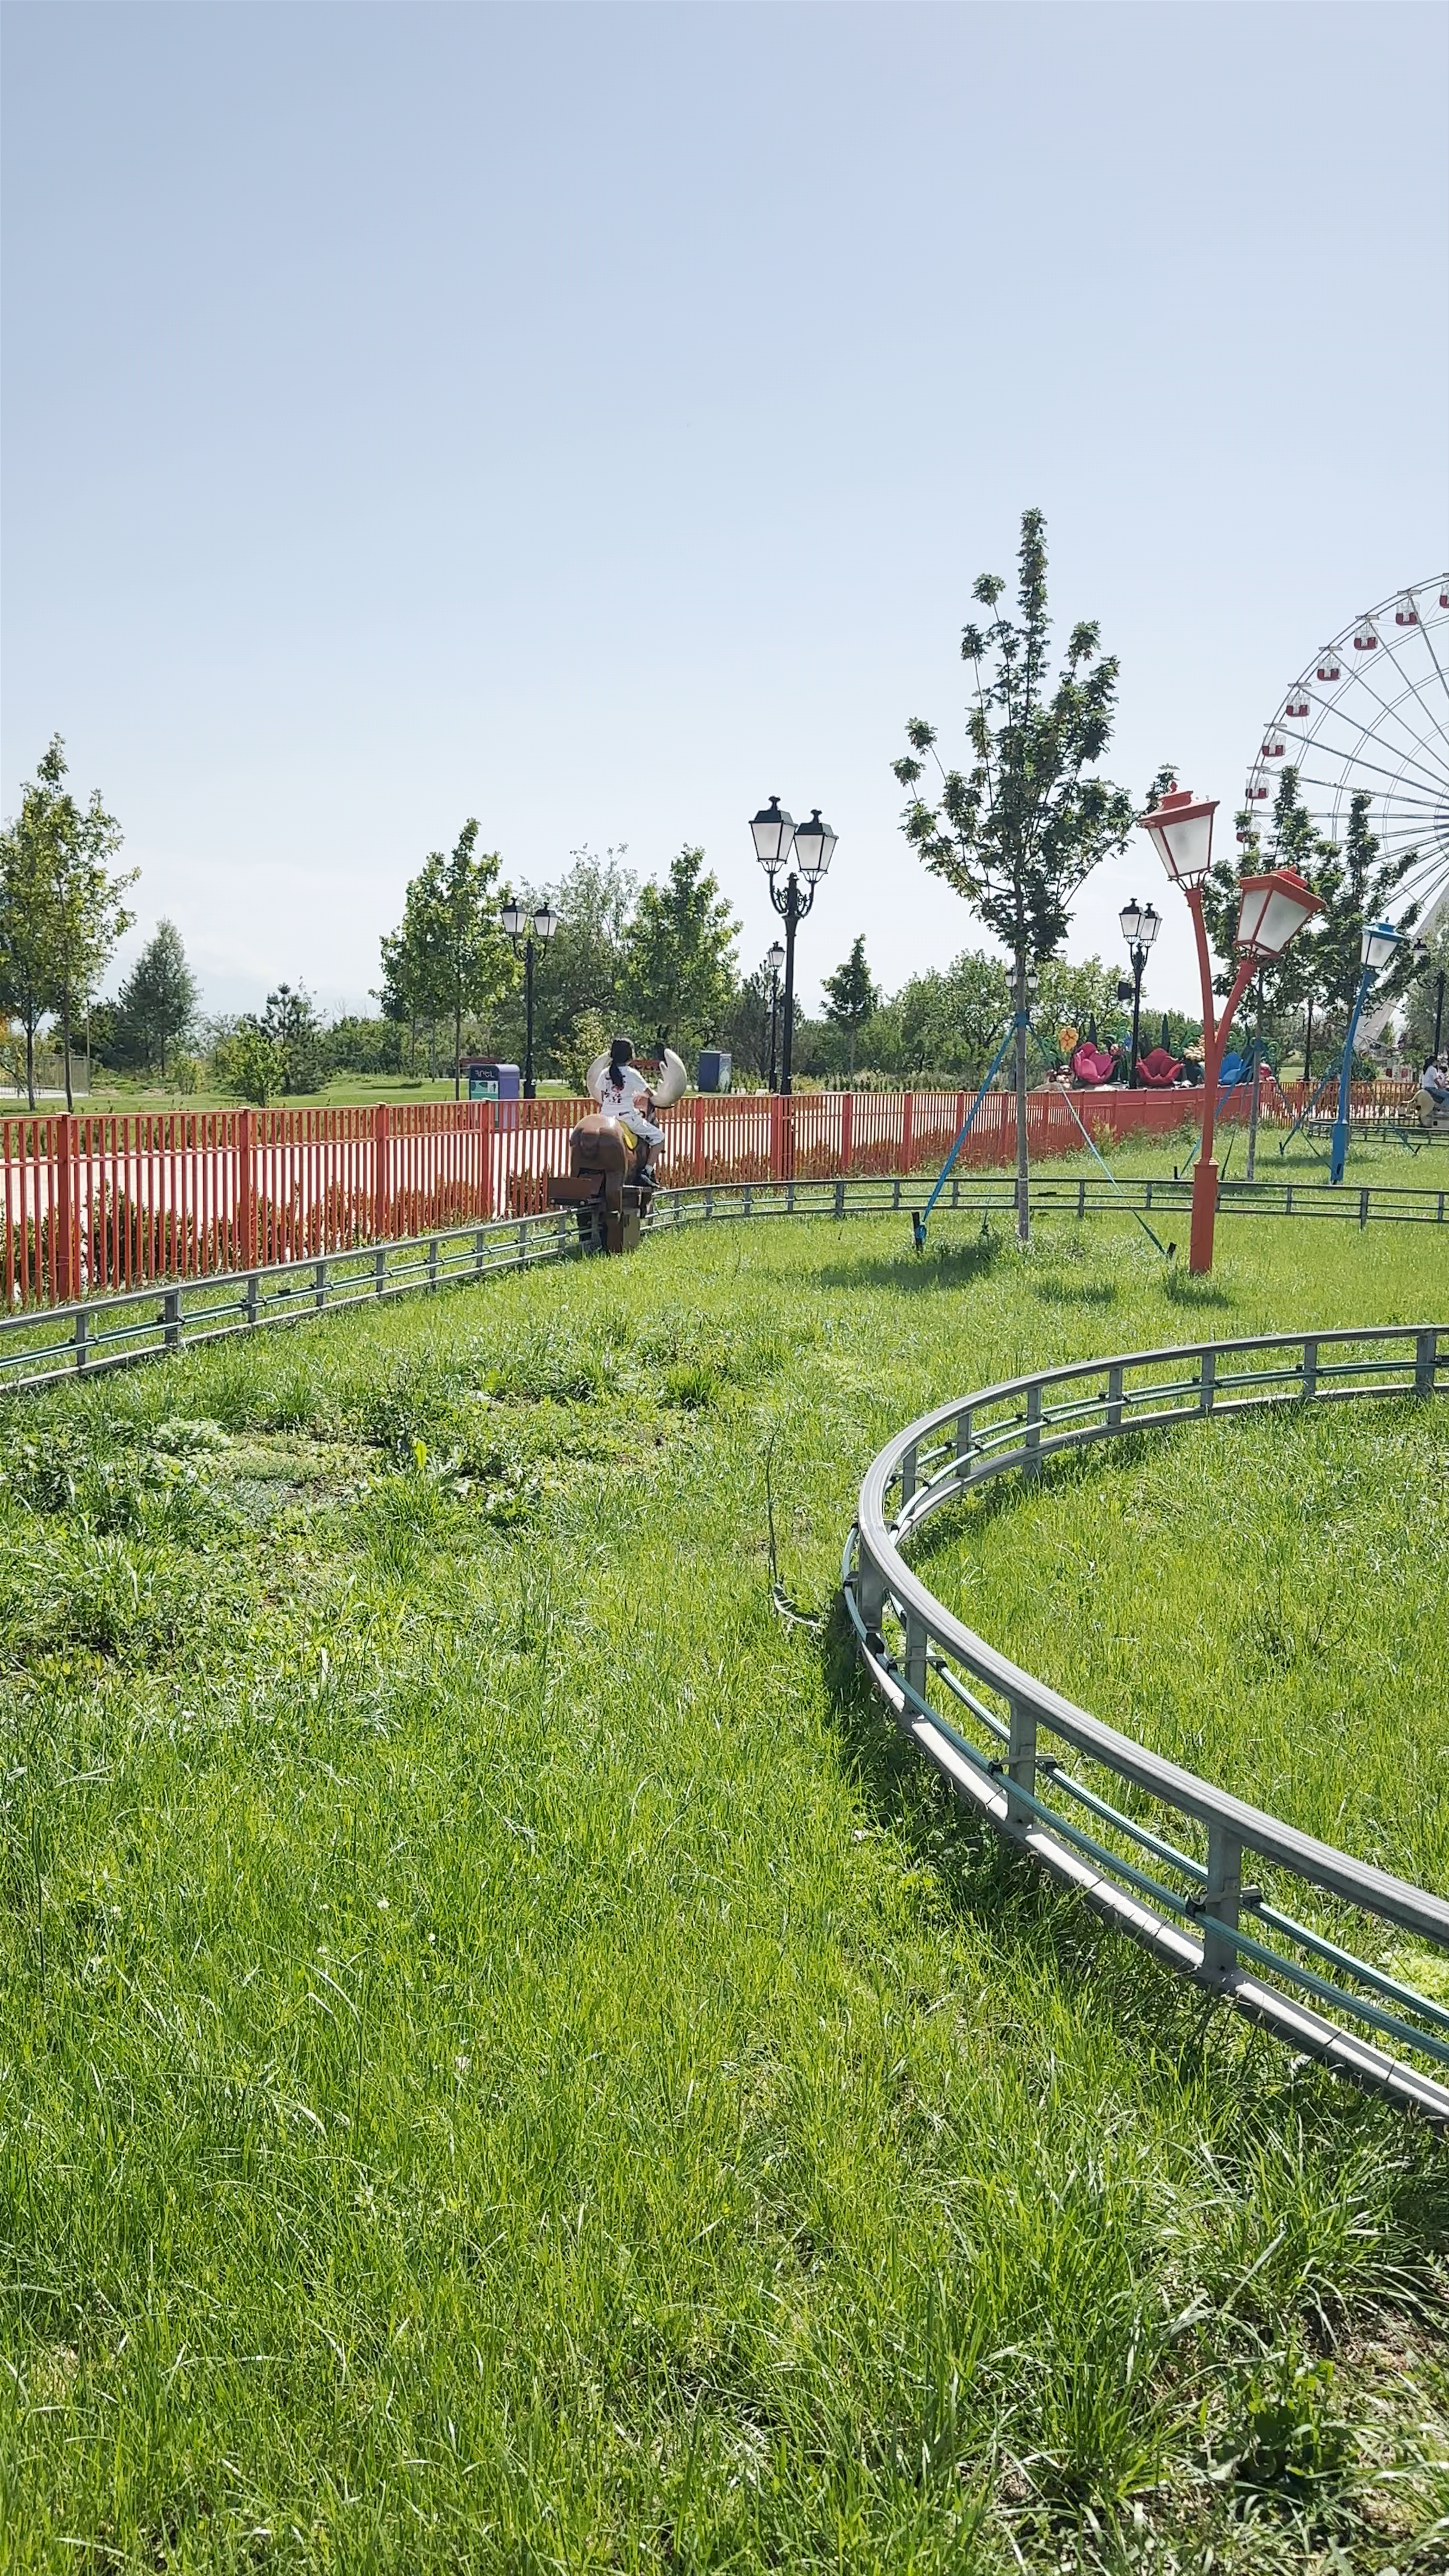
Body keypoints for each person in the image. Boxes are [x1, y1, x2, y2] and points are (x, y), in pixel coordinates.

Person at [597, 1036, 665, 1183]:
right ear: (630, 1056)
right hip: (627, 1118)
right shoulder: (632, 1074)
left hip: (605, 1118)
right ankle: (647, 1172)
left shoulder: (604, 1073)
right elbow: (650, 1095)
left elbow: (603, 1099)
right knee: (660, 1138)